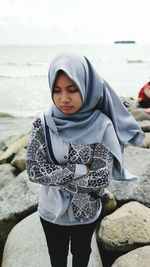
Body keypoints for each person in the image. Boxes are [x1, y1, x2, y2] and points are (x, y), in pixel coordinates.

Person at [26, 53, 144, 267]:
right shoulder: (41, 124)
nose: (64, 98)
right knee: (57, 256)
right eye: (57, 90)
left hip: (86, 212)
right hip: (51, 210)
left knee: (82, 253)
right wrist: (82, 170)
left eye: (72, 90)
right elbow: (34, 171)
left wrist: (55, 174)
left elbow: (101, 178)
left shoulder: (102, 126)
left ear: (87, 87)